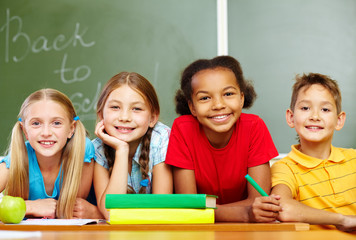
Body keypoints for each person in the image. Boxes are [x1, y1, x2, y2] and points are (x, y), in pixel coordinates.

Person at [165, 56, 279, 222]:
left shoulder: (254, 126)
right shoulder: (183, 129)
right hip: (200, 231)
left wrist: (206, 212)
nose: (218, 105)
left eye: (228, 94)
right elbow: (189, 206)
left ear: (241, 98)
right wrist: (245, 213)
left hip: (247, 231)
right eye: (205, 98)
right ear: (192, 107)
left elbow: (257, 201)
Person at [251, 73, 356, 231]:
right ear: (291, 118)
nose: (314, 116)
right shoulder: (285, 168)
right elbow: (283, 208)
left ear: (339, 120)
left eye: (325, 109)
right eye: (305, 108)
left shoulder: (353, 159)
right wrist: (342, 220)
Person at [0, 88, 98, 219]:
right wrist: (30, 206)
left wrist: (95, 212)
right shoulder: (17, 158)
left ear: (71, 129)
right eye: (36, 123)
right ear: (25, 131)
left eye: (56, 123)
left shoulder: (83, 150)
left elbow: (75, 210)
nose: (46, 133)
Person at [93, 72, 173, 219]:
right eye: (115, 107)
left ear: (153, 118)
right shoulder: (97, 148)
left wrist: (95, 212)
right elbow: (110, 213)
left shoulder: (161, 139)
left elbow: (161, 207)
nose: (124, 117)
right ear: (101, 115)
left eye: (136, 109)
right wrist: (121, 150)